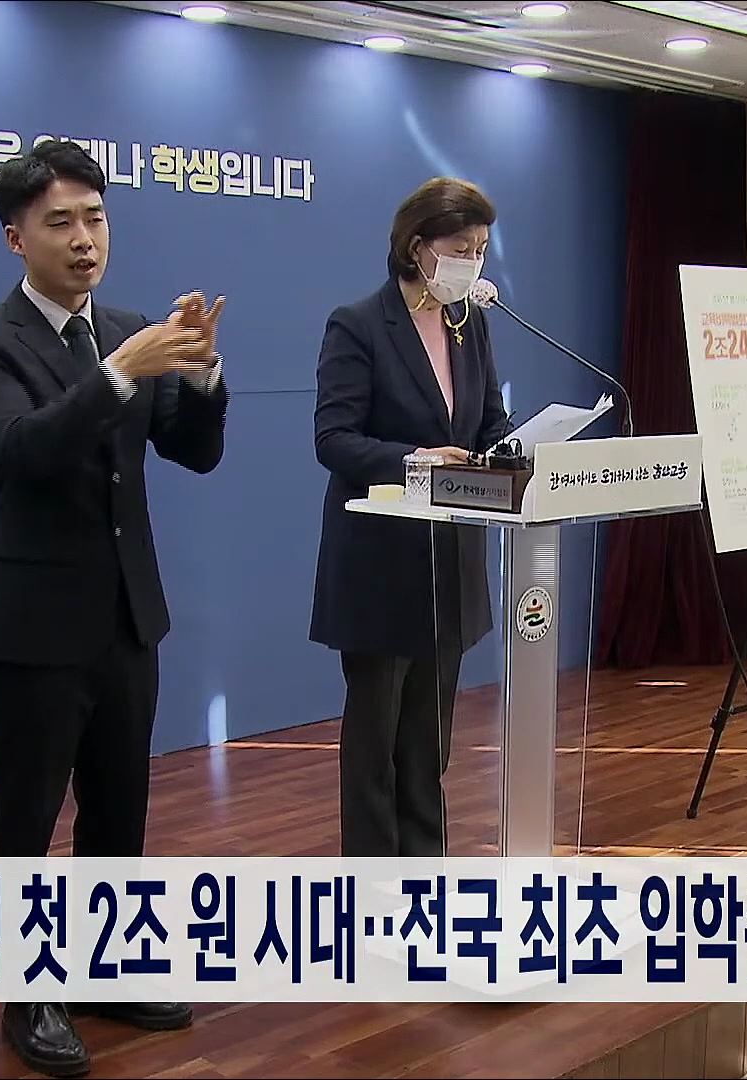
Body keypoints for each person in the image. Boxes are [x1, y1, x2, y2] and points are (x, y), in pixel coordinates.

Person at [0, 138, 228, 1078]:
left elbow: (194, 452)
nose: (83, 239)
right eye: (59, 222)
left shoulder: (130, 328)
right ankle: (26, 993)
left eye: (95, 218)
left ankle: (106, 967)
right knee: (24, 819)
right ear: (14, 237)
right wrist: (119, 373)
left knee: (118, 809)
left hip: (127, 617)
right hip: (34, 622)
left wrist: (202, 374)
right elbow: (22, 451)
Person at [310, 177, 512, 858]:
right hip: (380, 562)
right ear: (417, 246)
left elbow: (488, 422)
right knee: (377, 747)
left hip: (448, 562)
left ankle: (426, 880)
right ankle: (373, 892)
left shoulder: (470, 323)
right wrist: (416, 460)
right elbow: (333, 439)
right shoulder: (359, 324)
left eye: (481, 250)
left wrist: (517, 449)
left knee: (429, 746)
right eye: (460, 249)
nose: (472, 263)